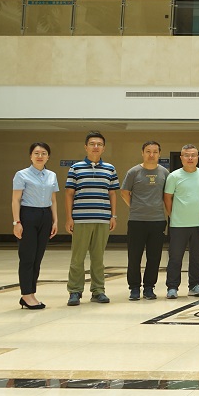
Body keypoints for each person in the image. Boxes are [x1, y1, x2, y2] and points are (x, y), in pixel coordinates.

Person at [65, 131, 119, 306]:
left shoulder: (110, 168)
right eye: (92, 144)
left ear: (104, 148)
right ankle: (75, 291)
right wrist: (69, 218)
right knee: (77, 258)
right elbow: (69, 194)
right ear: (86, 147)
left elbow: (112, 194)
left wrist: (113, 216)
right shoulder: (76, 168)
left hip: (102, 219)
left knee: (98, 258)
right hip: (80, 219)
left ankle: (98, 290)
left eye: (99, 144)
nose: (96, 147)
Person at [11, 142, 58, 309]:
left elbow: (53, 200)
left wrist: (55, 220)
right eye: (36, 153)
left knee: (38, 258)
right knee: (27, 257)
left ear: (48, 157)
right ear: (30, 156)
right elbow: (16, 199)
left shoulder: (52, 175)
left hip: (45, 215)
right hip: (28, 215)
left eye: (44, 153)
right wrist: (17, 222)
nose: (40, 156)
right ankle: (26, 294)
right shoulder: (22, 174)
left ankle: (31, 293)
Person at [120, 141, 169, 301]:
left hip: (158, 220)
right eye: (148, 151)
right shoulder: (134, 172)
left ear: (159, 154)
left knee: (154, 257)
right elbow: (124, 192)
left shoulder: (164, 173)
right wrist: (135, 206)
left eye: (155, 152)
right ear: (142, 153)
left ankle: (149, 287)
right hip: (137, 221)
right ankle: (134, 287)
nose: (151, 155)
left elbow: (167, 195)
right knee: (134, 256)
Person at [164, 144, 199, 299]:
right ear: (181, 158)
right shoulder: (174, 176)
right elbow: (167, 198)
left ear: (197, 157)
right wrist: (173, 215)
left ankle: (194, 285)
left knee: (197, 257)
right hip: (178, 225)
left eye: (193, 155)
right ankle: (172, 287)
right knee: (175, 257)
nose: (190, 158)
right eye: (186, 155)